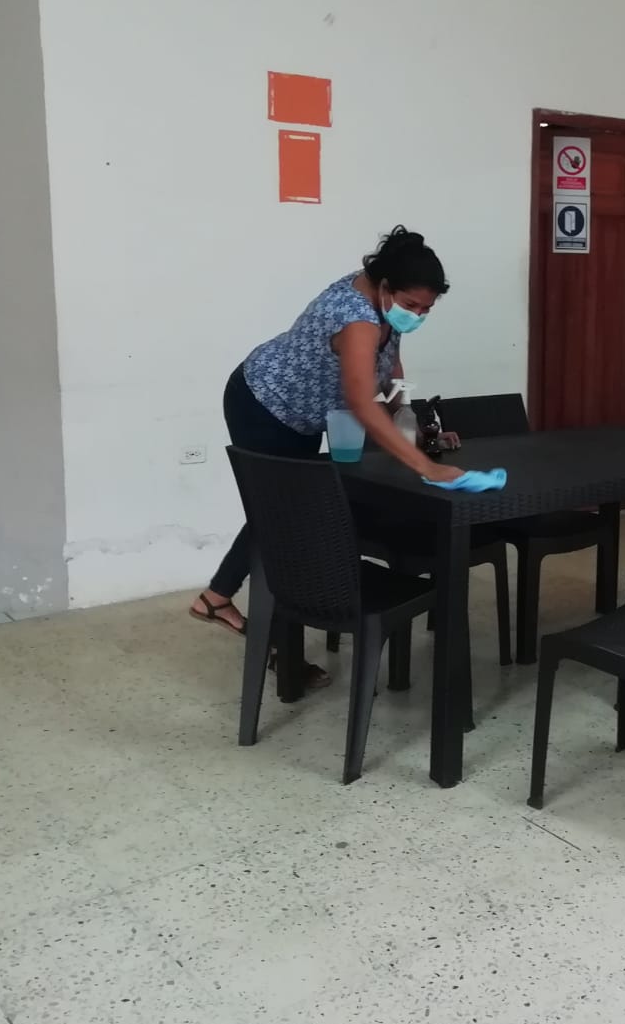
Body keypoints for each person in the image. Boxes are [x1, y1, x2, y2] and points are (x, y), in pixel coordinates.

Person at [191, 226, 463, 684]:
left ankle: (217, 598)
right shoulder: (355, 317)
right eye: (412, 305)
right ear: (385, 287)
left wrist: (412, 420)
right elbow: (362, 401)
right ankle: (278, 649)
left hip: (303, 416)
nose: (417, 315)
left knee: (281, 513)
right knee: (283, 520)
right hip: (264, 403)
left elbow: (389, 367)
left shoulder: (384, 301)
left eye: (426, 309)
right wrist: (425, 465)